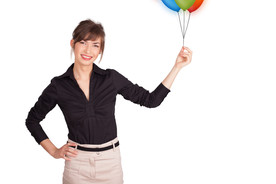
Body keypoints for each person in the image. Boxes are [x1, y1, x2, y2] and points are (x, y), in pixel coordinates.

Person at [25, 19, 193, 184]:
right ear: (72, 43)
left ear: (100, 51)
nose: (88, 50)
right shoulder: (58, 85)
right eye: (83, 42)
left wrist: (177, 67)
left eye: (95, 45)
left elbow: (151, 100)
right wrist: (54, 151)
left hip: (110, 163)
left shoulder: (110, 79)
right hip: (76, 165)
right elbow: (32, 120)